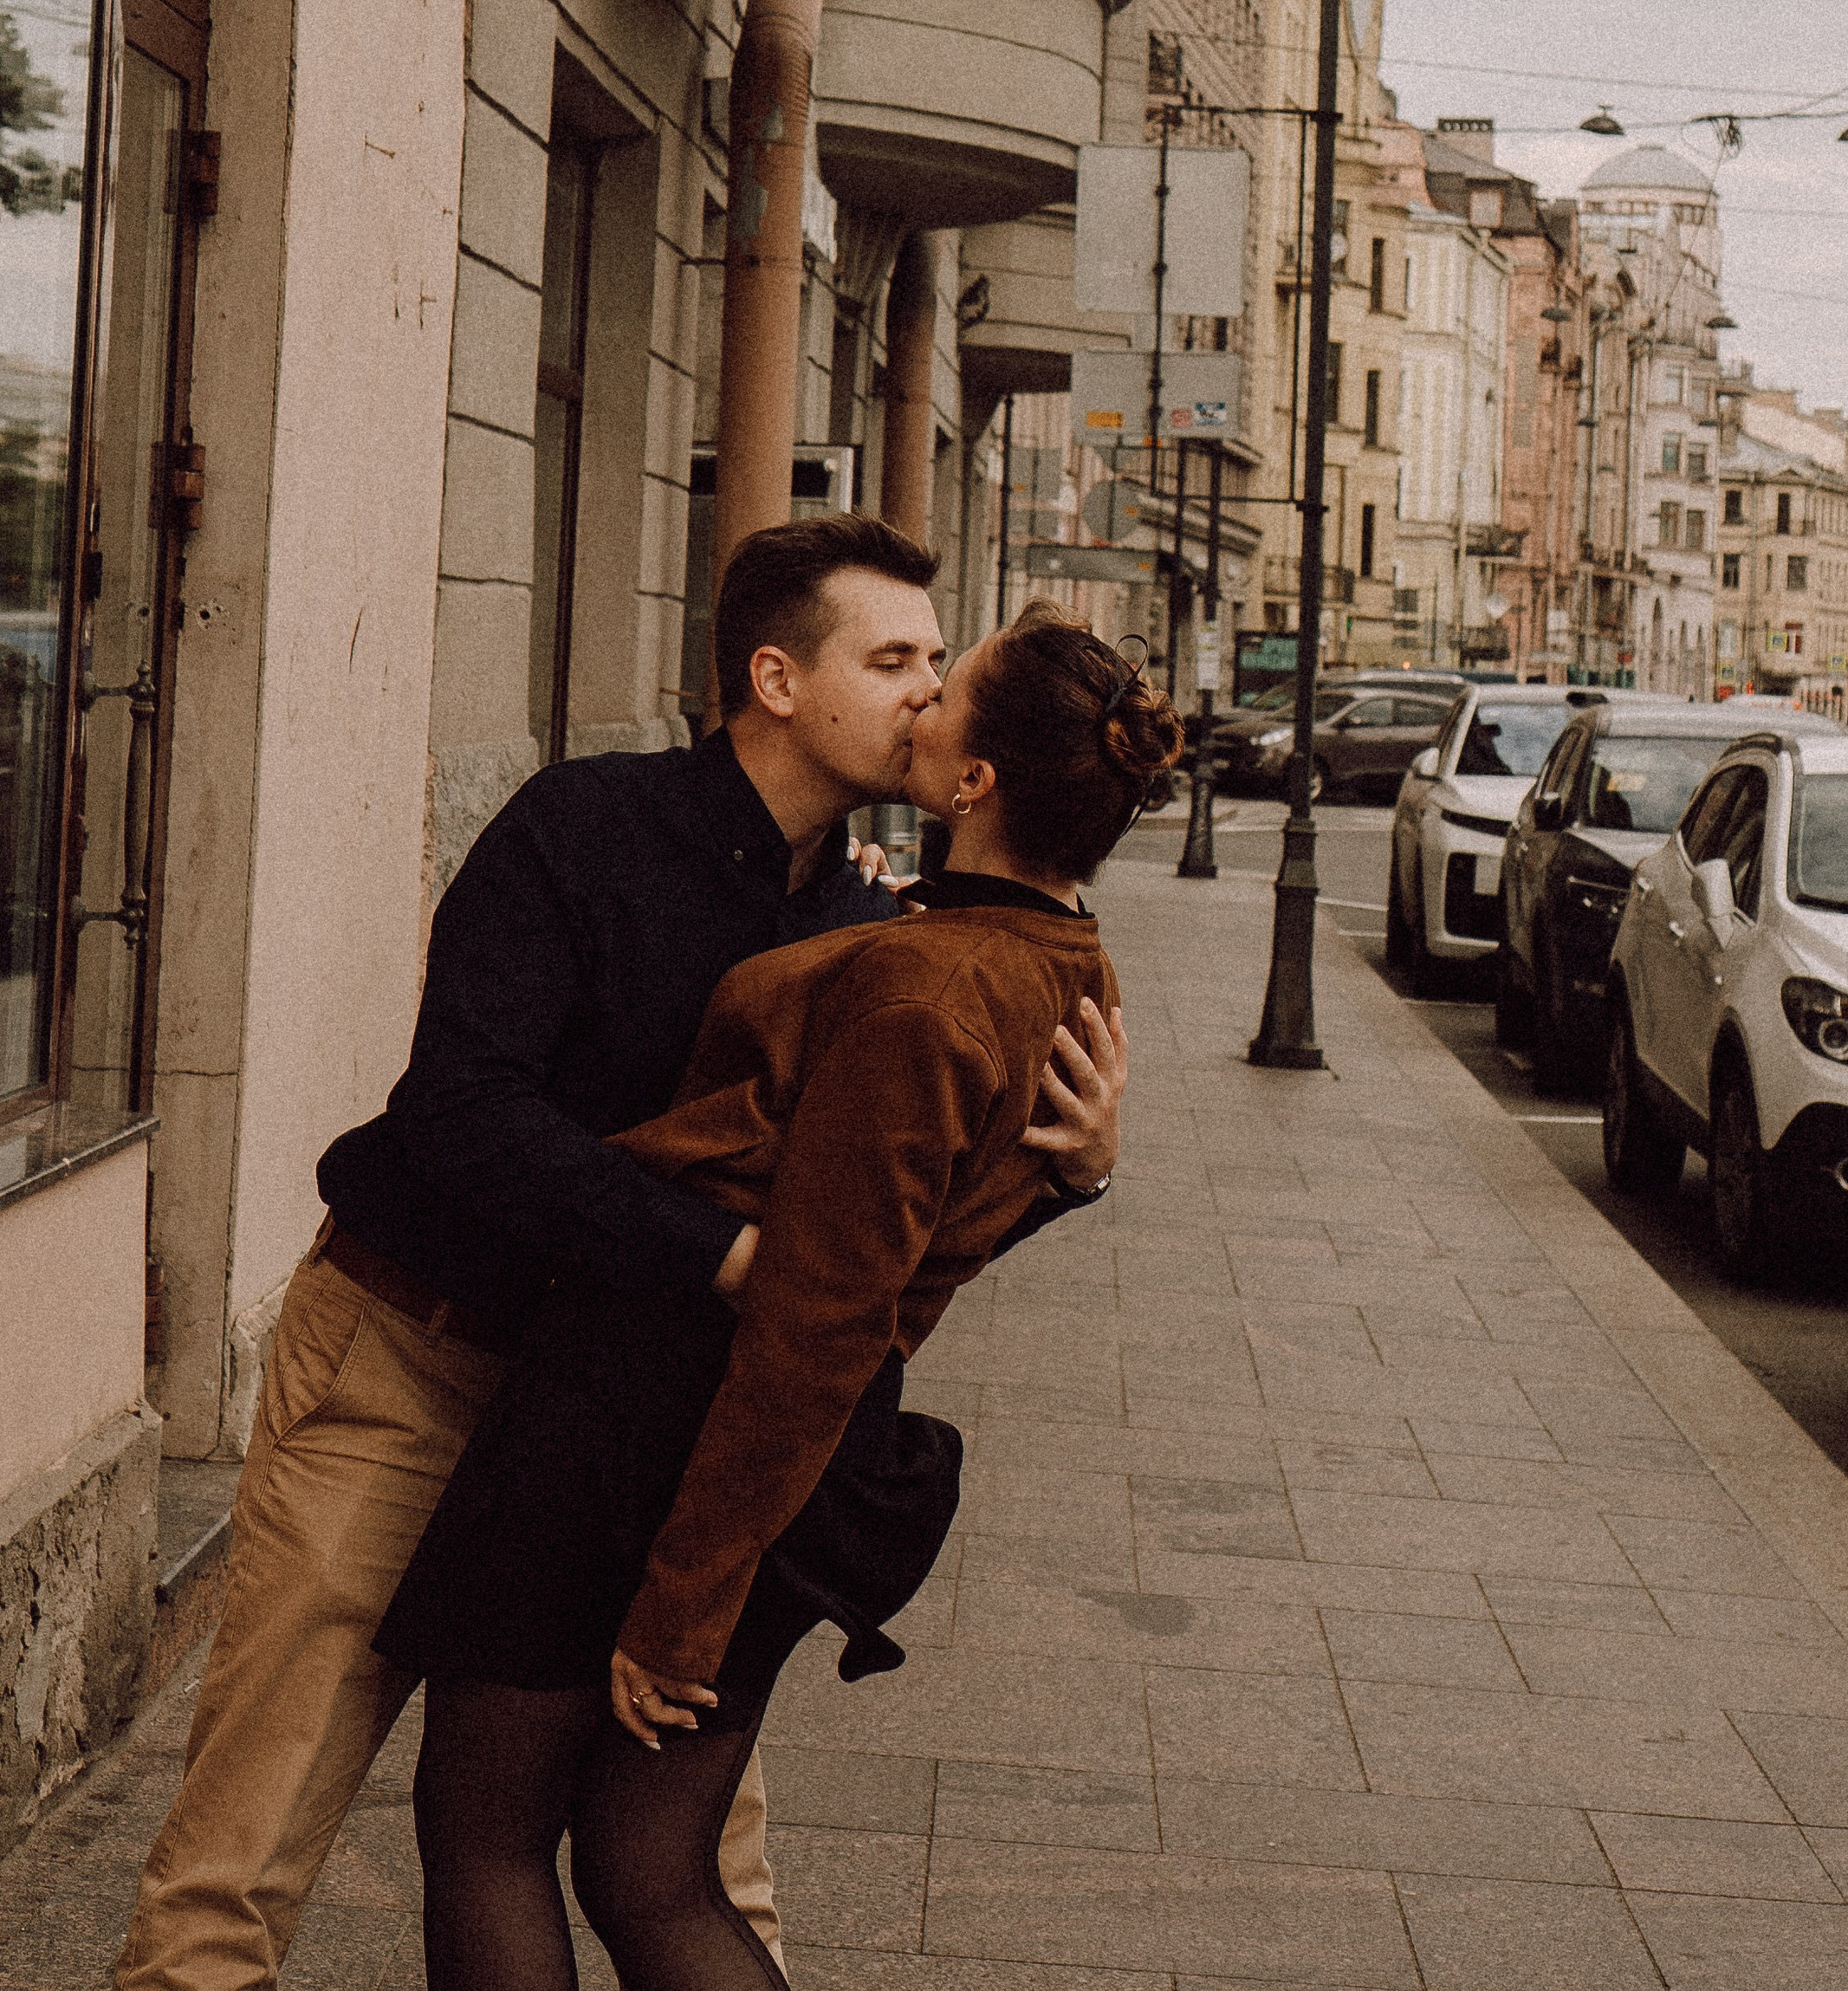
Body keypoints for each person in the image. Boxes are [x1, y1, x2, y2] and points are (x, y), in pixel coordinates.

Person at [115, 522, 1127, 1991]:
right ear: (777, 679)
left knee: (693, 1857)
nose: (924, 693)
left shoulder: (869, 921)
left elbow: (887, 1223)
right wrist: (722, 1256)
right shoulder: (582, 826)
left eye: (936, 665)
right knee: (247, 1844)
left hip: (619, 1425)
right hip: (415, 1356)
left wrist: (1073, 1172)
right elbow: (462, 1113)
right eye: (895, 658)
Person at [373, 605, 1177, 1991]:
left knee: (493, 1838)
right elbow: (938, 1225)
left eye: (947, 685)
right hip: (733, 1447)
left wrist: (680, 1604)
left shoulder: (921, 990)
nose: (918, 701)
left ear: (977, 782)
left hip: (651, 1424)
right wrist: (1071, 1180)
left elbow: (823, 1316)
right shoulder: (1046, 955)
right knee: (643, 1868)